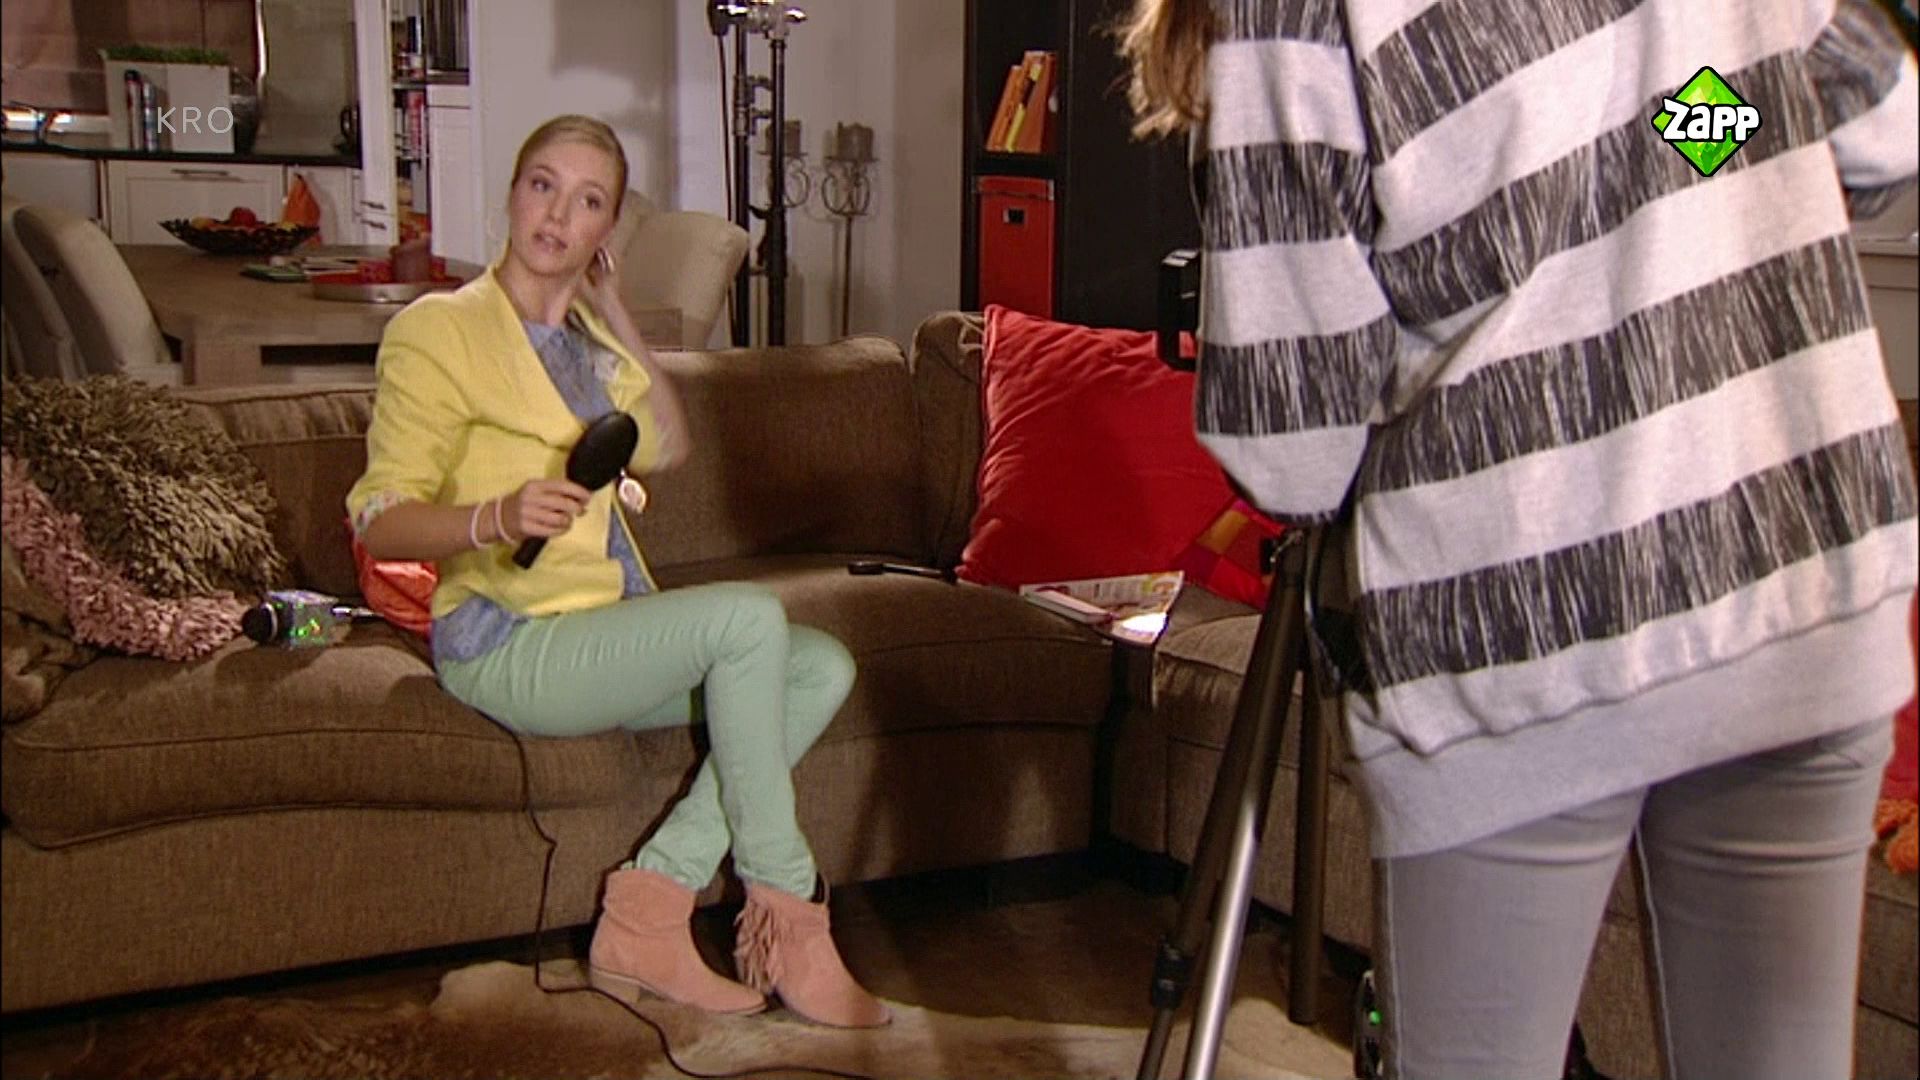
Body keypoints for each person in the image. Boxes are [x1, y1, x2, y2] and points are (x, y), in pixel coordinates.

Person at [1122, 2, 1918, 1077]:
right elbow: (1882, 132)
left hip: (1515, 629)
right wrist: (1665, 136)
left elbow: (1293, 450)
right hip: (1802, 576)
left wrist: (1577, 181)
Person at [346, 114, 888, 1029]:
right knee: (747, 620)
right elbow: (381, 515)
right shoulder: (438, 330)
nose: (558, 215)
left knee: (820, 665)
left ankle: (649, 910)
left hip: (599, 634)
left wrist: (616, 310)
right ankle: (790, 917)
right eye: (543, 185)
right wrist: (494, 516)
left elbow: (667, 442)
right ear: (513, 193)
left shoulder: (592, 348)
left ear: (607, 230)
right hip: (506, 640)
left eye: (588, 200)